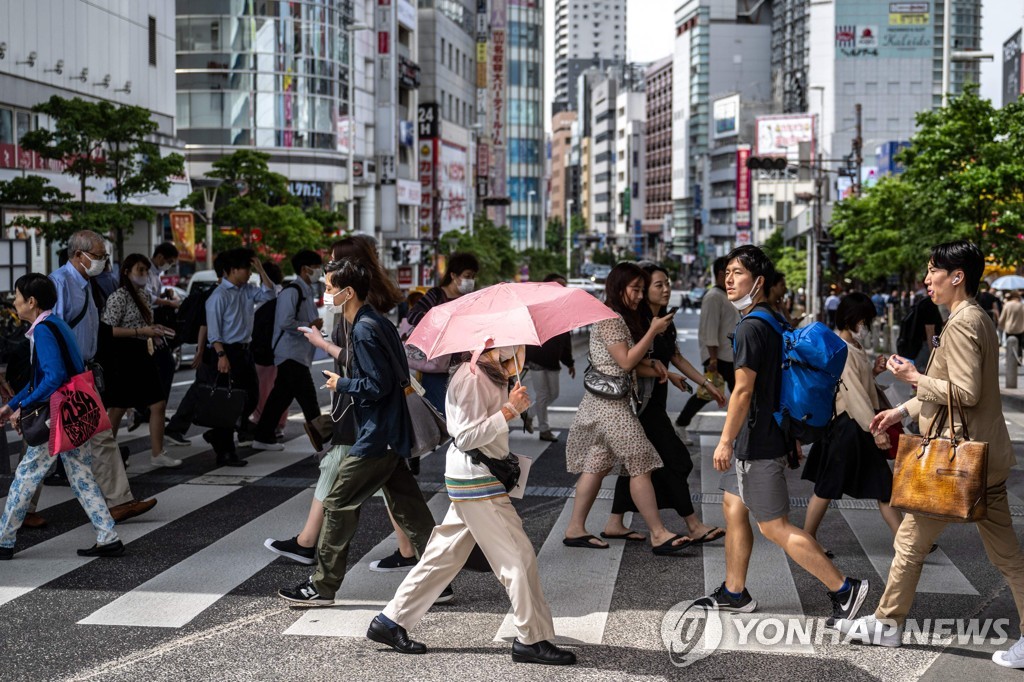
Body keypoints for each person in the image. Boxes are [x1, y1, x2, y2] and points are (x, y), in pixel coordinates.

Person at [840, 241, 1024, 666]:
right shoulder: (974, 318)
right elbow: (949, 393)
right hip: (981, 458)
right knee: (1007, 556)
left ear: (957, 275)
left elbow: (964, 392)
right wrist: (900, 410)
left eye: (932, 271)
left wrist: (912, 376)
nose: (926, 279)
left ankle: (886, 624)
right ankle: (886, 623)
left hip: (955, 463)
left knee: (909, 540)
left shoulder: (962, 322)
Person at [367, 345, 576, 666]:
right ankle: (531, 639)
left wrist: (510, 402)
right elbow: (464, 437)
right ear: (494, 340)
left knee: (441, 558)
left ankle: (390, 621)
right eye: (517, 341)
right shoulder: (472, 376)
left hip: (477, 477)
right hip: (475, 480)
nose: (522, 348)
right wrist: (508, 411)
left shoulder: (491, 373)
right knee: (517, 557)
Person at [699, 245, 868, 627]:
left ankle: (844, 589)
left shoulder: (751, 327)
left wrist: (725, 440)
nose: (729, 279)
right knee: (733, 504)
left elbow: (743, 391)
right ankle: (734, 591)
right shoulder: (771, 320)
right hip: (767, 434)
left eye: (738, 273)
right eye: (727, 271)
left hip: (756, 441)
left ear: (758, 282)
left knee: (773, 526)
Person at [277, 261, 438, 606]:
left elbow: (376, 384)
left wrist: (342, 383)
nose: (325, 294)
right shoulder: (376, 322)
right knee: (410, 508)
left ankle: (322, 587)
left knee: (336, 502)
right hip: (390, 430)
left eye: (329, 288)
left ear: (347, 292)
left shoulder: (363, 329)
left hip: (376, 435)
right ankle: (441, 578)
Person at [562, 262, 692, 554]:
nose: (638, 296)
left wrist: (662, 370)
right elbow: (624, 361)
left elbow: (626, 364)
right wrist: (653, 331)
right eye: (635, 289)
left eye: (641, 290)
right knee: (641, 462)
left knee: (596, 466)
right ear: (618, 287)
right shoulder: (610, 319)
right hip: (610, 409)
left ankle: (575, 528)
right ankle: (658, 533)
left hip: (607, 404)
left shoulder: (619, 317)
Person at [0, 274, 123, 559]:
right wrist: (13, 405)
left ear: (31, 301)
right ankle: (108, 536)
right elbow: (42, 378)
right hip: (72, 412)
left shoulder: (42, 331)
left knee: (26, 475)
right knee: (81, 476)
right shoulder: (55, 323)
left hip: (54, 417)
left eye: (17, 296)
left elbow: (53, 377)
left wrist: (23, 407)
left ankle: (4, 541)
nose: (14, 301)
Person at [604, 262, 727, 545]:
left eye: (668, 283)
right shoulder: (638, 322)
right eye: (658, 285)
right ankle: (693, 524)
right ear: (643, 291)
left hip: (653, 402)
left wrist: (707, 384)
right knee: (675, 460)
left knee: (636, 464)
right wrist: (665, 372)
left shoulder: (664, 321)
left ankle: (614, 521)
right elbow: (627, 363)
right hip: (638, 405)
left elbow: (676, 357)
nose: (667, 289)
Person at [49, 230, 156, 522]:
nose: (101, 262)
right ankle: (23, 511)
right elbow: (51, 333)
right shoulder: (59, 283)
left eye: (103, 256)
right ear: (78, 255)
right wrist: (60, 374)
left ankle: (119, 500)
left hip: (83, 372)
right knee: (43, 447)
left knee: (101, 436)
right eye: (97, 256)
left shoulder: (87, 282)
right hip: (63, 374)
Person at [801, 293, 902, 550]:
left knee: (880, 485)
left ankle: (906, 541)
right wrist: (877, 430)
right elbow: (853, 394)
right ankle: (806, 539)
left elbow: (856, 383)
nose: (865, 327)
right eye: (864, 321)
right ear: (852, 319)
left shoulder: (852, 347)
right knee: (830, 486)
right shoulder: (840, 348)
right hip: (849, 426)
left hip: (854, 425)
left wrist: (873, 372)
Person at [100, 253, 181, 468]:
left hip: (142, 352)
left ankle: (157, 452)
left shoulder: (145, 296)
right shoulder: (118, 297)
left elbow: (146, 324)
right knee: (117, 407)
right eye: (140, 270)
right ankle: (106, 455)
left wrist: (154, 333)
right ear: (127, 272)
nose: (144, 275)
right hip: (122, 355)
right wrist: (140, 331)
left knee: (158, 402)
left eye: (146, 270)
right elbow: (108, 331)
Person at [201, 248, 276, 466]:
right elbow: (214, 331)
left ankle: (219, 436)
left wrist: (261, 268)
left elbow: (270, 293)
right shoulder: (218, 296)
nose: (249, 274)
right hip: (226, 351)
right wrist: (221, 355)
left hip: (244, 350)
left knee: (250, 397)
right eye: (246, 269)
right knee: (227, 402)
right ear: (233, 270)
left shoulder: (247, 290)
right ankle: (225, 451)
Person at [252, 250, 325, 451]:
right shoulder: (292, 291)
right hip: (290, 353)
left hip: (298, 354)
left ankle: (263, 435)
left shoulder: (307, 291)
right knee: (309, 401)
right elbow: (285, 321)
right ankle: (324, 443)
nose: (320, 271)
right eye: (317, 267)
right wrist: (309, 325)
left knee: (280, 397)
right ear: (305, 269)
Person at [164, 252, 227, 446]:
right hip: (213, 350)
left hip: (214, 349)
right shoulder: (215, 295)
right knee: (201, 389)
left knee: (208, 389)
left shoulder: (221, 292)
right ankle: (176, 428)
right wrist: (200, 351)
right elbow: (204, 325)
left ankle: (223, 432)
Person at [405, 253, 480, 414]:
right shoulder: (436, 295)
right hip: (436, 368)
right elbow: (413, 315)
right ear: (453, 275)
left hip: (462, 367)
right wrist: (440, 324)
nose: (470, 280)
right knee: (439, 413)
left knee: (460, 414)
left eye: (473, 276)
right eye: (467, 276)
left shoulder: (470, 299)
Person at [676, 257, 739, 443]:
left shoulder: (725, 295)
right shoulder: (713, 297)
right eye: (732, 272)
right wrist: (712, 359)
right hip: (718, 357)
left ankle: (741, 429)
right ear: (721, 274)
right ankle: (681, 423)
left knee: (725, 393)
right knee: (711, 394)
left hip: (727, 355)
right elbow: (710, 329)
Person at [525, 273, 576, 442]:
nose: (561, 288)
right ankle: (544, 429)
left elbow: (566, 340)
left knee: (553, 394)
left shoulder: (564, 309)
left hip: (553, 360)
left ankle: (529, 414)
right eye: (557, 285)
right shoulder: (536, 307)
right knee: (542, 395)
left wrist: (569, 363)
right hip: (536, 358)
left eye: (564, 285)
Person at [249, 260, 288, 440]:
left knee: (262, 387)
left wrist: (260, 269)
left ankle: (263, 421)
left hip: (263, 349)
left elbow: (270, 288)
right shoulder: (282, 294)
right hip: (278, 348)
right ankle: (278, 424)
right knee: (276, 387)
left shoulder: (273, 293)